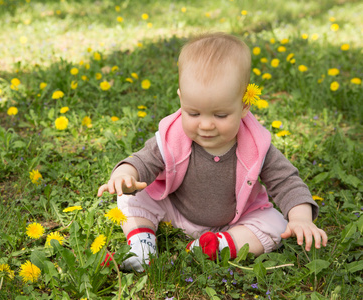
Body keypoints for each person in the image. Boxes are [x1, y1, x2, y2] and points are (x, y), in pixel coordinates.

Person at [97, 32, 328, 272]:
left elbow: (286, 182)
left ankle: (214, 246)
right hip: (174, 209)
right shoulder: (173, 136)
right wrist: (124, 174)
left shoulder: (256, 146)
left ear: (244, 106)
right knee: (131, 195)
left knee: (276, 224)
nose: (205, 125)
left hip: (234, 220)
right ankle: (142, 247)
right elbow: (142, 161)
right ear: (181, 99)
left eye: (220, 115)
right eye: (193, 113)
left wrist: (300, 218)